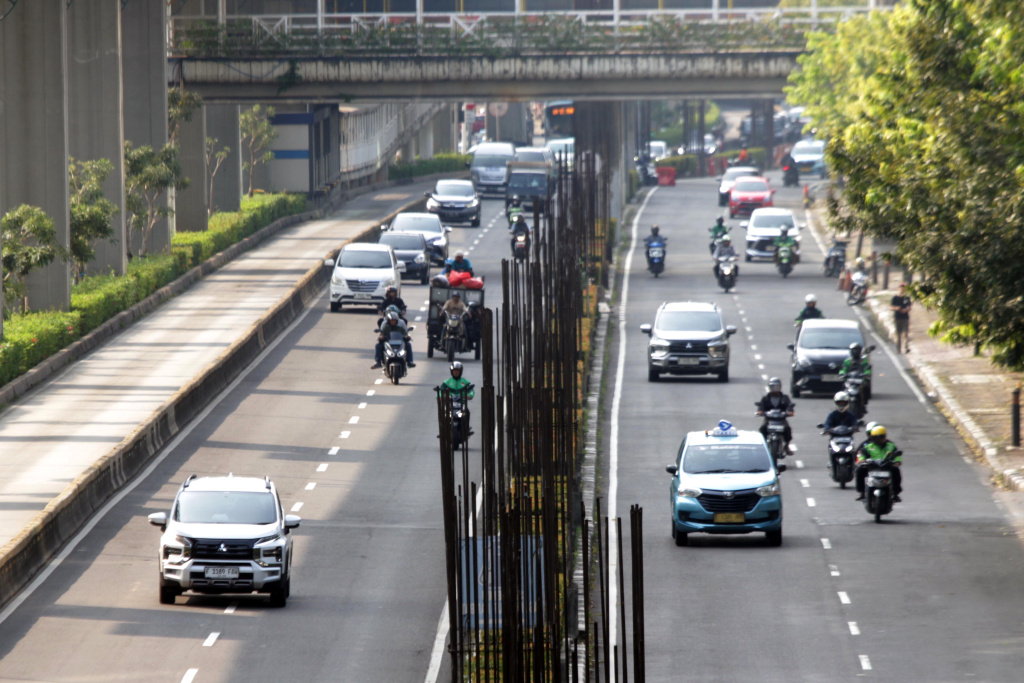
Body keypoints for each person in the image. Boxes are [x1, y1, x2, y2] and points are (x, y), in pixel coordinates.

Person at [855, 424, 902, 502]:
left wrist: (897, 461)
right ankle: (861, 492)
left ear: (885, 436)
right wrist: (862, 460)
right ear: (872, 437)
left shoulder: (891, 446)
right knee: (859, 471)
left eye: (881, 437)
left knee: (896, 471)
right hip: (872, 466)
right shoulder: (868, 447)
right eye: (875, 437)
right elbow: (863, 455)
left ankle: (895, 494)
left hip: (887, 466)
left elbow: (896, 455)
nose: (878, 439)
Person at [756, 377, 795, 454]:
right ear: (770, 387)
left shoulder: (784, 398)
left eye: (777, 387)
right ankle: (763, 445)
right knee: (762, 429)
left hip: (781, 419)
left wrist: (790, 411)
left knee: (787, 429)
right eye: (773, 387)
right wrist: (760, 411)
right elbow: (761, 406)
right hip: (769, 419)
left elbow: (789, 406)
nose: (775, 389)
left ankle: (786, 446)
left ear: (780, 387)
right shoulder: (765, 398)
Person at [890, 282, 912, 353]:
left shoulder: (907, 298)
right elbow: (891, 306)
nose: (903, 290)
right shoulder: (895, 298)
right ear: (899, 288)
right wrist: (897, 308)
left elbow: (909, 306)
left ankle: (906, 347)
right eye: (901, 288)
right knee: (898, 334)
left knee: (905, 334)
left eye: (904, 288)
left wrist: (906, 310)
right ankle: (898, 349)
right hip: (897, 318)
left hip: (905, 317)